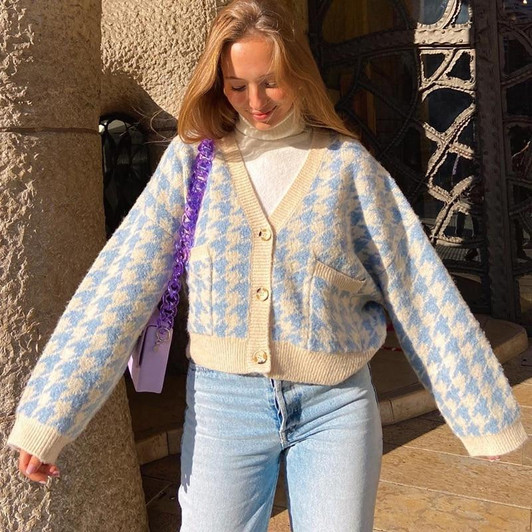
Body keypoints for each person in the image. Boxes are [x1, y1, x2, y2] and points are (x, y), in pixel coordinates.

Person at [8, 1, 528, 530]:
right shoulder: (195, 162)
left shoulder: (347, 169)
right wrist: (51, 415)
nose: (255, 102)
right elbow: (119, 283)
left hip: (335, 406)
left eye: (271, 83)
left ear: (299, 73)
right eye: (237, 86)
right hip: (223, 407)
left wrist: (481, 411)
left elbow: (418, 288)